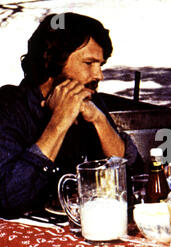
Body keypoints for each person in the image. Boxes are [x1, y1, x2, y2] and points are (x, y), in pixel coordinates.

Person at [0, 13, 144, 218]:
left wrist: (100, 121)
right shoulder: (9, 107)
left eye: (100, 65)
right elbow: (8, 198)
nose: (99, 75)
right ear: (52, 61)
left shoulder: (91, 102)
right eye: (88, 63)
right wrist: (58, 123)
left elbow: (134, 181)